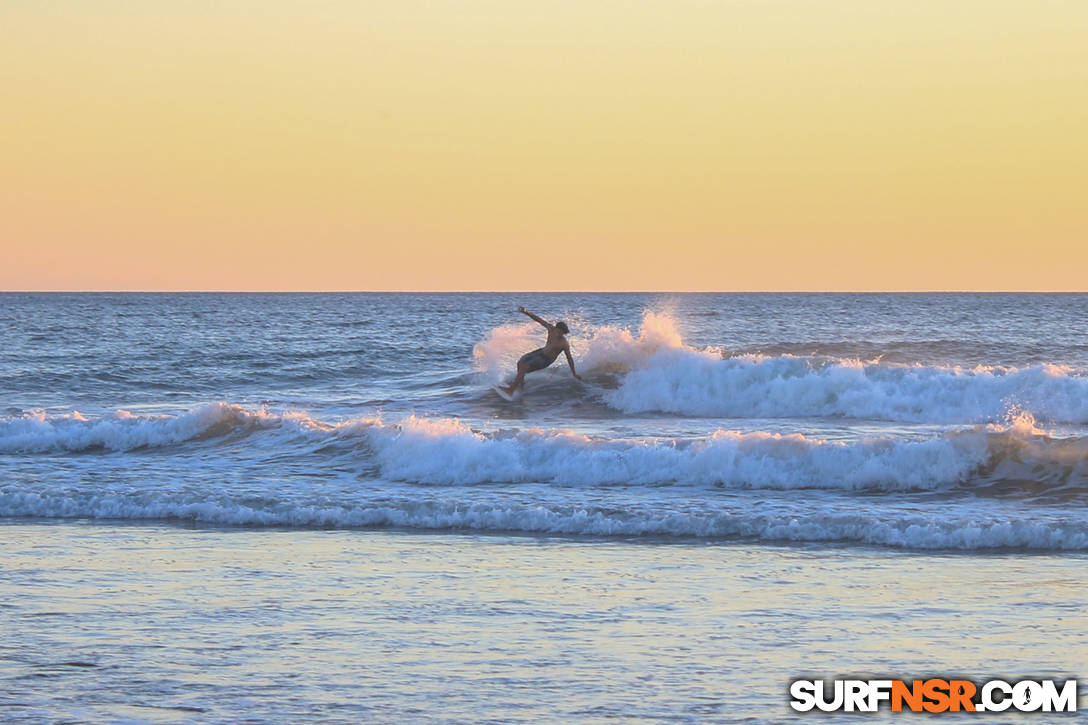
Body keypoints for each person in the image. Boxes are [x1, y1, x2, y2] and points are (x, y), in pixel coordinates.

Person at [499, 306, 582, 396]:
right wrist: (526, 312)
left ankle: (510, 390)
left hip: (546, 360)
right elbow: (538, 319)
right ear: (556, 328)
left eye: (561, 333)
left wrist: (574, 373)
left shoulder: (564, 343)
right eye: (558, 331)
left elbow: (569, 358)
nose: (559, 334)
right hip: (540, 352)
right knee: (520, 363)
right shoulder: (551, 329)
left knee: (524, 367)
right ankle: (521, 385)